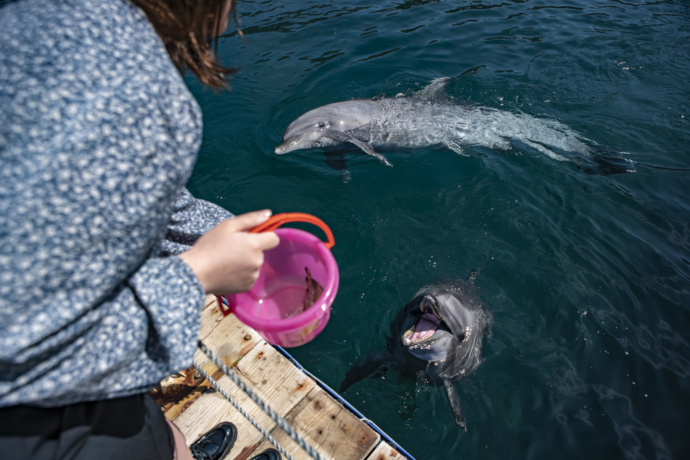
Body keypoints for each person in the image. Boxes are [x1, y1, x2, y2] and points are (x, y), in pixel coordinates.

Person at [0, 0, 279, 458]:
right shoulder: (150, 99)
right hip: (35, 424)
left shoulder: (29, 14)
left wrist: (223, 233)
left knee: (168, 437)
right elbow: (29, 346)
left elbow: (110, 190)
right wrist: (199, 273)